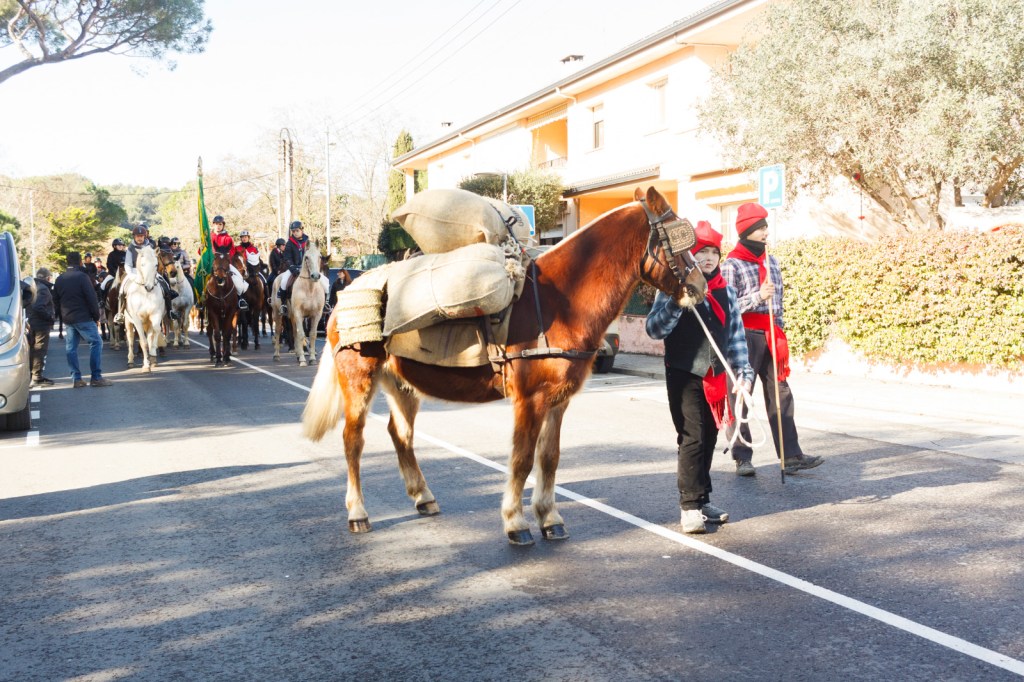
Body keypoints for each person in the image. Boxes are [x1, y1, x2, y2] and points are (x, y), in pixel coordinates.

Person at [646, 221, 754, 534]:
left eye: (713, 252)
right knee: (692, 436)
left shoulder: (726, 290)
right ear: (690, 256)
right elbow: (654, 330)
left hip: (715, 374)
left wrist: (743, 372)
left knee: (709, 437)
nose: (708, 258)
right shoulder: (671, 286)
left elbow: (734, 335)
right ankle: (689, 507)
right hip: (683, 371)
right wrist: (678, 302)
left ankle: (703, 498)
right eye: (701, 252)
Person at [721, 203, 823, 476]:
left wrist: (779, 331)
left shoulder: (772, 261)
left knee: (782, 395)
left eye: (766, 226)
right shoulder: (732, 264)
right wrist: (757, 297)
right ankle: (742, 457)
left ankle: (790, 456)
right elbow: (726, 306)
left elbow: (778, 304)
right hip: (744, 337)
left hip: (771, 333)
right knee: (740, 396)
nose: (766, 231)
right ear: (748, 231)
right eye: (761, 227)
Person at [52, 252, 112, 387]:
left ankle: (76, 379)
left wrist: (59, 316)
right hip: (83, 317)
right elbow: (91, 297)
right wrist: (96, 316)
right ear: (80, 262)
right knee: (96, 343)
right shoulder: (82, 277)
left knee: (71, 348)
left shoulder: (60, 279)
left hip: (68, 318)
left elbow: (55, 300)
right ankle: (96, 377)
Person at [209, 215, 250, 309]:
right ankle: (200, 301)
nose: (218, 226)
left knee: (238, 279)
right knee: (200, 278)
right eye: (216, 224)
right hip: (211, 263)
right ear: (213, 225)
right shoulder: (209, 237)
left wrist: (225, 260)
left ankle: (240, 299)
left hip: (225, 264)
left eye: (220, 224)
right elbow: (202, 251)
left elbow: (232, 251)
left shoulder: (228, 238)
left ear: (223, 225)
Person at [26, 267, 56, 387]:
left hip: (32, 322)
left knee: (33, 349)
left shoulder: (33, 287)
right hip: (41, 324)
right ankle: (37, 377)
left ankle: (31, 375)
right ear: (48, 277)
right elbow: (39, 307)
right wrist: (50, 317)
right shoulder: (43, 289)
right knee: (40, 349)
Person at [276, 221, 309, 314]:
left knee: (324, 282)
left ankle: (324, 304)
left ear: (302, 230)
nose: (295, 233)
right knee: (284, 281)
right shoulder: (290, 243)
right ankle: (283, 305)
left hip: (307, 269)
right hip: (294, 268)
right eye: (293, 231)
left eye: (297, 230)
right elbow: (287, 258)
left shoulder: (308, 241)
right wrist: (293, 268)